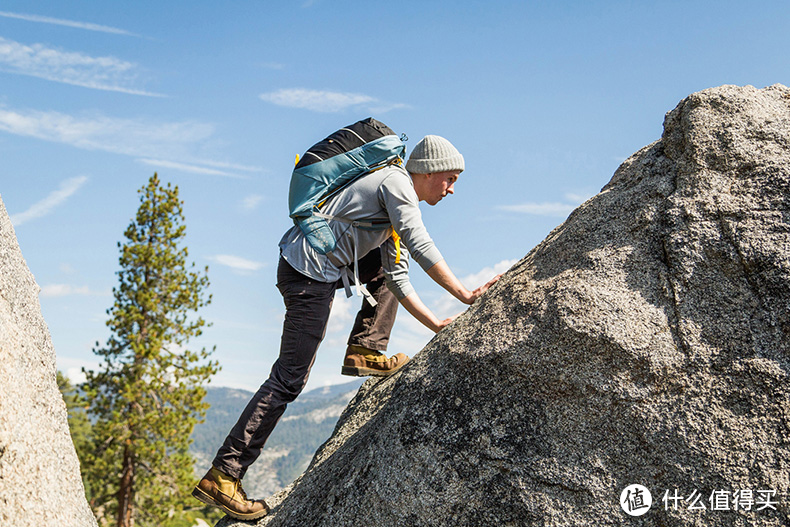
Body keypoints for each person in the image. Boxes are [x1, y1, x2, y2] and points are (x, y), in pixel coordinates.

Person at [192, 134, 501, 520]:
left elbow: (398, 275)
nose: (452, 189)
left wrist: (437, 323)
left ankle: (365, 349)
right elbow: (420, 243)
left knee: (387, 273)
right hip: (307, 273)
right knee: (289, 378)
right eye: (450, 178)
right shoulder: (396, 184)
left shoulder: (391, 201)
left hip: (319, 270)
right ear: (427, 171)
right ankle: (224, 474)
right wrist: (465, 294)